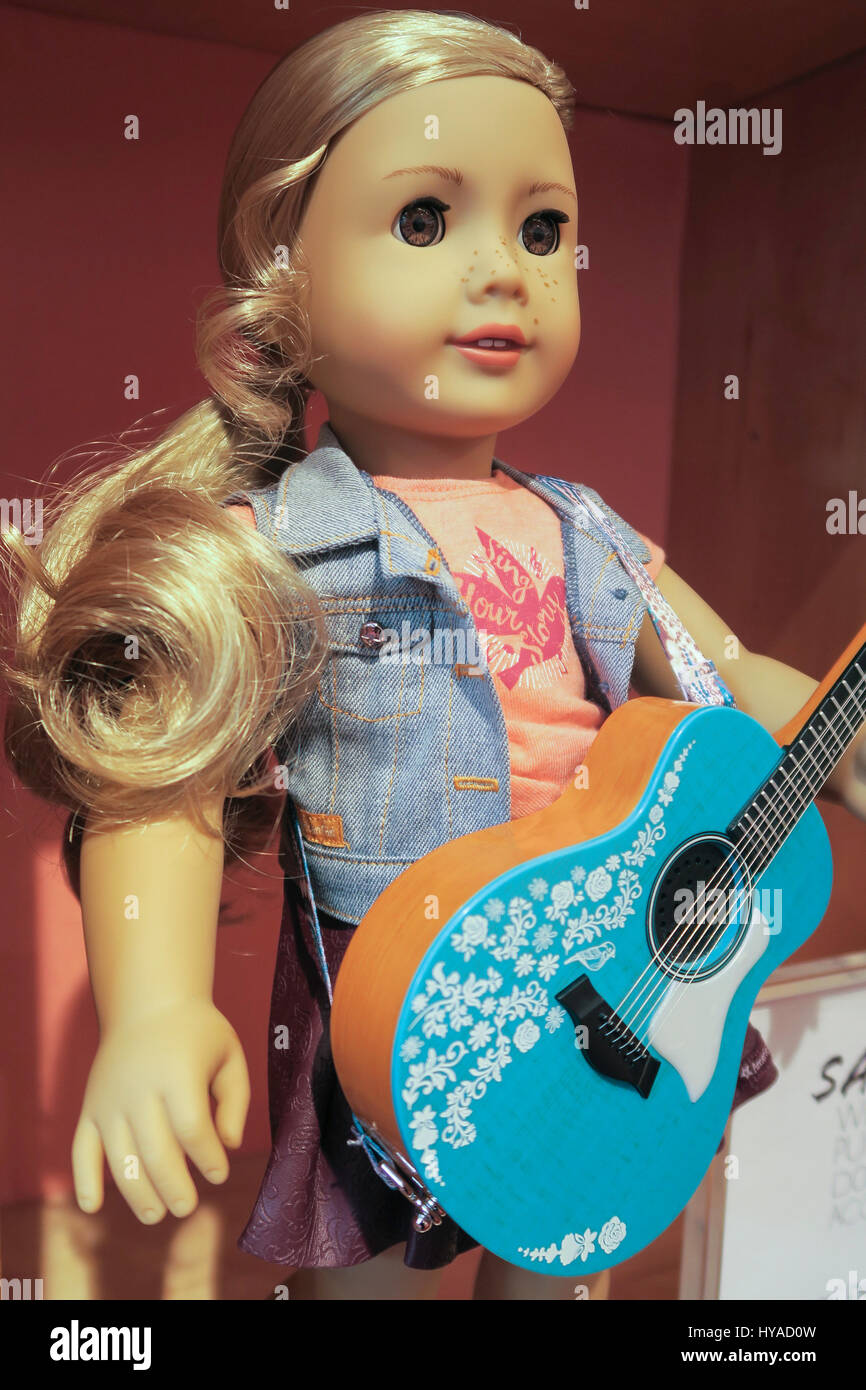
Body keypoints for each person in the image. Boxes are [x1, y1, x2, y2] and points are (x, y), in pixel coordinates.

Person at [4, 9, 865, 1302]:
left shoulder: (585, 529)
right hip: (398, 1001)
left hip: (602, 968)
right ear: (280, 275)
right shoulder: (277, 548)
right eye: (424, 221)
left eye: (539, 231)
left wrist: (838, 735)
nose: (504, 273)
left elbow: (722, 666)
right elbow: (162, 785)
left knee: (560, 1242)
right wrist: (153, 1005)